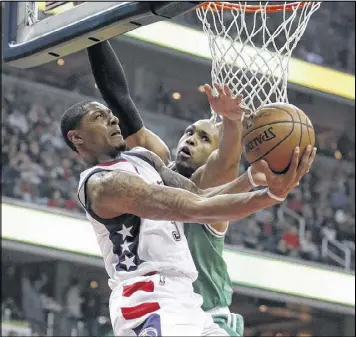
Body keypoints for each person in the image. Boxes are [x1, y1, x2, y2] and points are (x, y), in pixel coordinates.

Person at [86, 40, 309, 336]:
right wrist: (95, 36)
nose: (191, 139)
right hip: (166, 305)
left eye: (205, 138)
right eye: (190, 132)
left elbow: (227, 156)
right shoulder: (156, 165)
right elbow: (120, 100)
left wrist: (232, 121)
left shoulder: (207, 181)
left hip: (208, 317)